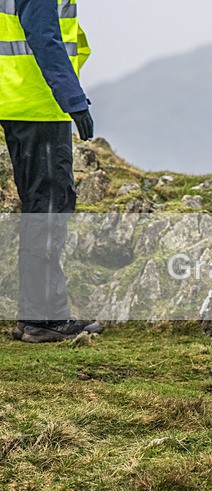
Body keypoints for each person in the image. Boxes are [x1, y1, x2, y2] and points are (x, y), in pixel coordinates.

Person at [1, 0, 102, 343]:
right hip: (38, 103)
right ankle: (43, 319)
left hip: (17, 97)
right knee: (48, 206)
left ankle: (37, 315)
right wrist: (72, 97)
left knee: (41, 205)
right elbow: (45, 35)